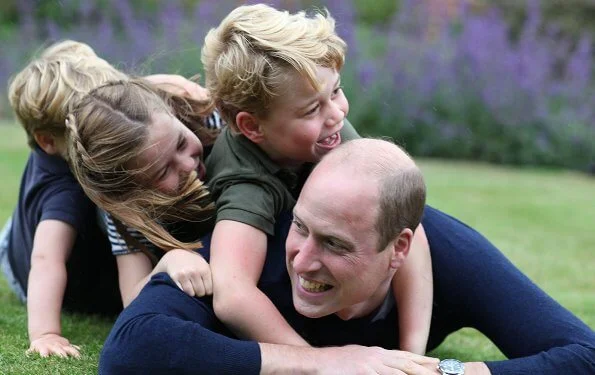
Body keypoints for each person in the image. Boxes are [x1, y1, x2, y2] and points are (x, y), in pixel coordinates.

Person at [94, 137, 595, 374]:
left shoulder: (449, 253)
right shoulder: (251, 246)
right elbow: (131, 350)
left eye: (335, 244)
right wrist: (326, 363)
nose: (303, 260)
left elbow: (583, 354)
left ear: (399, 248)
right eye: (302, 228)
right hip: (91, 254)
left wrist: (448, 373)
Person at [201, 3, 433, 352]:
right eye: (312, 109)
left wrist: (412, 354)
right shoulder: (246, 181)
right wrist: (318, 364)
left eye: (336, 91)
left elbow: (409, 228)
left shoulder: (327, 127)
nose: (337, 113)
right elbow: (232, 295)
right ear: (252, 127)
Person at [0, 40, 215, 359]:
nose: (106, 125)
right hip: (23, 265)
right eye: (88, 126)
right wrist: (46, 333)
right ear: (50, 141)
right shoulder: (64, 189)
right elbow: (46, 260)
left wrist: (159, 85)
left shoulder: (102, 125)